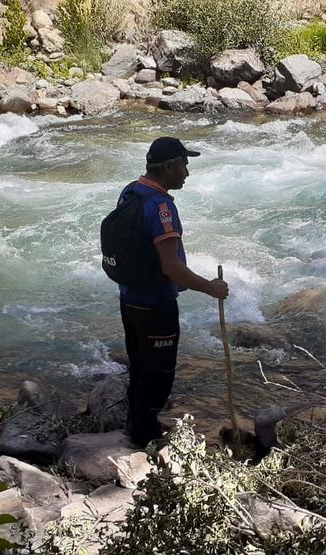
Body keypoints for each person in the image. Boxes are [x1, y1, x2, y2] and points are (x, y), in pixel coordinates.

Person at [117, 136, 229, 446]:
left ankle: (136, 422)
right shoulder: (161, 206)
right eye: (184, 165)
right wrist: (210, 287)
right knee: (160, 372)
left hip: (130, 298)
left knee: (140, 365)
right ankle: (144, 435)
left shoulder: (132, 191)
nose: (187, 173)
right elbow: (170, 267)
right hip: (156, 303)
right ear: (169, 167)